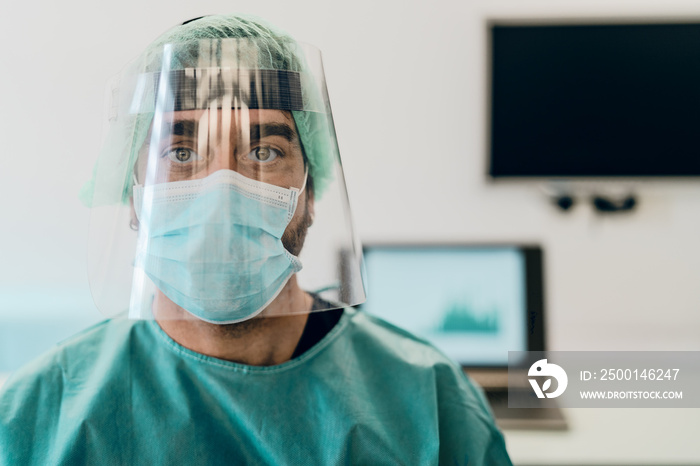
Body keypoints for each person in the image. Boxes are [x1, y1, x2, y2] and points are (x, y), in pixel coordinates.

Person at [0, 14, 512, 465]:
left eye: (264, 153)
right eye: (181, 153)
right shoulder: (34, 417)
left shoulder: (428, 402)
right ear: (134, 196)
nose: (221, 195)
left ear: (310, 191)